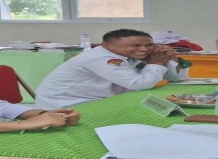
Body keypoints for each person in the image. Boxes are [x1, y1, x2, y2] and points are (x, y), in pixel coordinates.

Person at [35, 29, 190, 109]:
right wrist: (156, 63)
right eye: (135, 45)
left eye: (149, 45)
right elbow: (140, 84)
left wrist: (172, 58)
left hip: (102, 100)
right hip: (68, 105)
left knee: (165, 104)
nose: (143, 49)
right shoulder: (100, 58)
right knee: (151, 110)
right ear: (106, 46)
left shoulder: (134, 55)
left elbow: (178, 78)